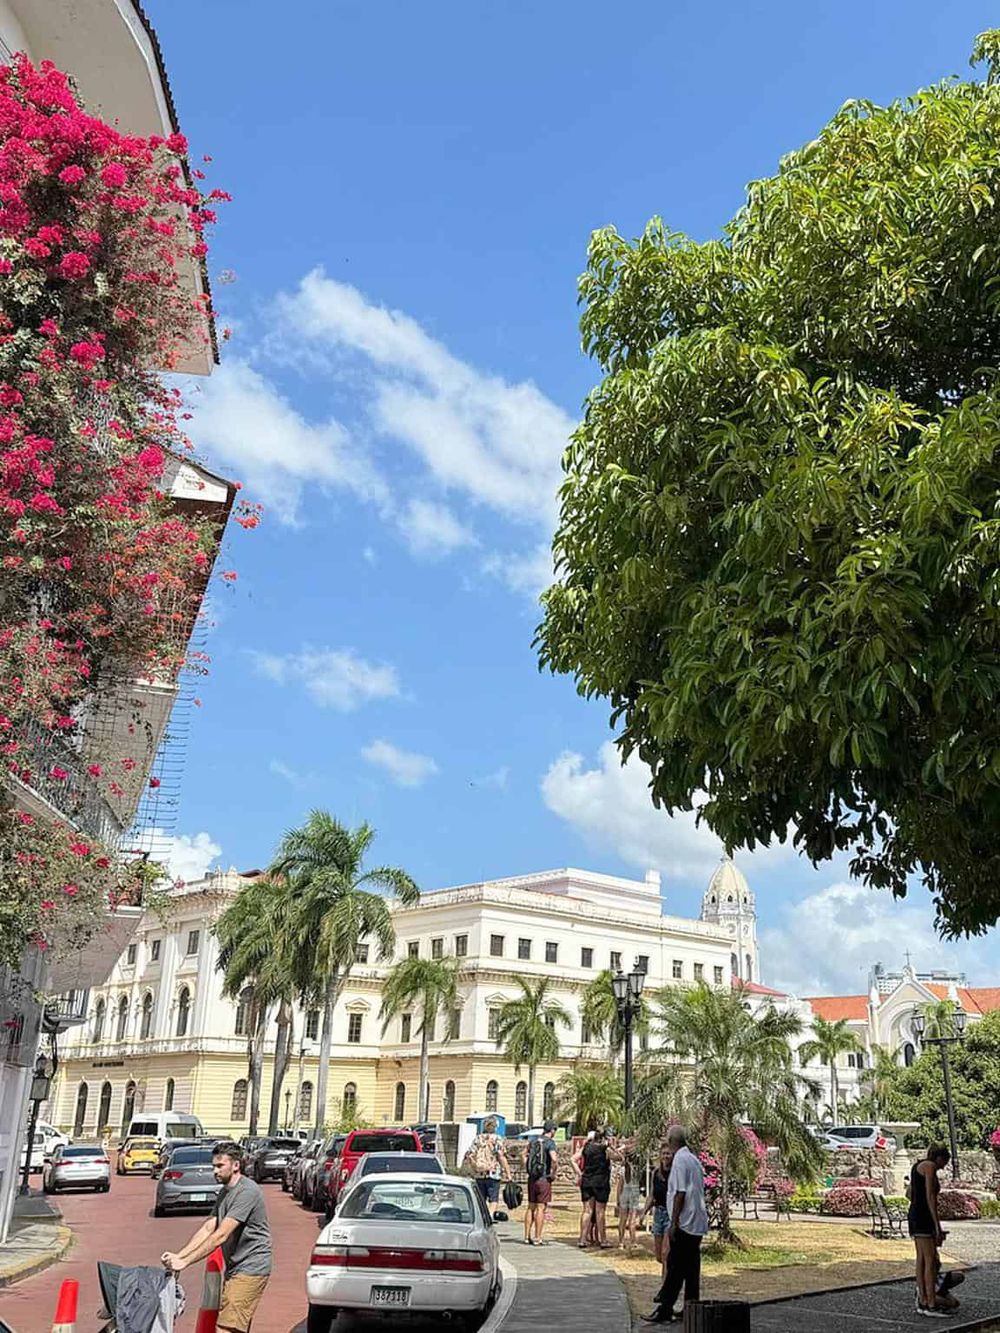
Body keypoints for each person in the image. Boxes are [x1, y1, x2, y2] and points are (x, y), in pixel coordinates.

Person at [161, 1140, 271, 1333]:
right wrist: (180, 1256)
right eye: (214, 1166)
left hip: (251, 1268)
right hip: (236, 1267)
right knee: (236, 1326)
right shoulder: (225, 1191)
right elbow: (208, 1228)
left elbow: (221, 1235)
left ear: (236, 1165)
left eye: (220, 1166)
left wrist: (186, 1262)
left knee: (226, 1328)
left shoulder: (247, 1192)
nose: (215, 1171)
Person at [644, 1126, 708, 1324]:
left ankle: (665, 1305)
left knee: (675, 1264)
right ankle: (690, 1305)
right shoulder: (693, 1159)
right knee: (690, 1267)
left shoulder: (680, 1160)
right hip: (696, 1220)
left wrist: (674, 1222)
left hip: (685, 1222)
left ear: (672, 1141)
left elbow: (680, 1193)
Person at [907, 1144, 951, 1317]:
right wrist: (936, 1225)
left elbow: (909, 1192)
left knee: (921, 1260)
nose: (943, 1167)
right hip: (924, 1217)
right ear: (939, 1158)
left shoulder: (917, 1165)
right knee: (930, 1260)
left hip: (915, 1215)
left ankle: (923, 1299)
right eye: (944, 1162)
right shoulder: (930, 1167)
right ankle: (931, 1303)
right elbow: (930, 1196)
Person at [573, 1127, 614, 1248]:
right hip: (601, 1182)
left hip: (587, 1181)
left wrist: (579, 1173)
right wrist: (611, 1147)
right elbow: (619, 1158)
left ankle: (582, 1239)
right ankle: (603, 1240)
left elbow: (573, 1159)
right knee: (600, 1211)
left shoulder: (586, 1148)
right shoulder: (604, 1149)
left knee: (587, 1211)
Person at [463, 1117, 511, 1219]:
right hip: (493, 1173)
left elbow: (469, 1154)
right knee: (493, 1199)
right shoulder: (497, 1139)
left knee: (481, 1198)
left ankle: (481, 1217)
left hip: (479, 1173)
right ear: (495, 1127)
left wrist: (474, 1167)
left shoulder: (478, 1138)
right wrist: (508, 1173)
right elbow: (501, 1156)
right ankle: (489, 1217)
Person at [524, 1121, 559, 1245]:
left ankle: (526, 1236)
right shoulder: (550, 1143)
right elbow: (554, 1159)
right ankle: (537, 1237)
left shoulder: (533, 1141)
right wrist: (553, 1173)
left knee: (530, 1207)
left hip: (532, 1178)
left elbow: (523, 1154)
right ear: (552, 1130)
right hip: (543, 1179)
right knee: (540, 1208)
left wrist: (528, 1168)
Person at [641, 1145, 675, 1271]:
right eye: (664, 1154)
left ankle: (665, 1286)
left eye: (668, 1154)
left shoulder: (675, 1173)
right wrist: (644, 1213)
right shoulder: (656, 1173)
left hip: (670, 1214)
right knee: (659, 1256)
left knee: (666, 1253)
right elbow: (652, 1195)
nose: (666, 1156)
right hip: (658, 1213)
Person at [617, 1153, 643, 1252]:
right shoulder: (637, 1171)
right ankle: (633, 1241)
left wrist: (618, 1199)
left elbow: (620, 1185)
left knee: (623, 1219)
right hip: (634, 1193)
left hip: (624, 1193)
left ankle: (621, 1241)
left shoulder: (623, 1170)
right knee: (632, 1218)